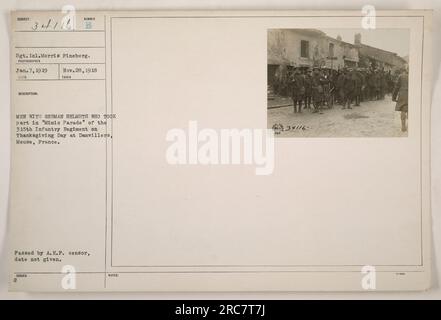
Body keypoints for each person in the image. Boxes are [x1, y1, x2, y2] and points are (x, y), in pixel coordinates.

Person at [392, 67, 409, 132]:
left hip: (403, 94)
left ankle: (403, 126)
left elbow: (396, 87)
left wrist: (394, 97)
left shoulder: (401, 76)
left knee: (403, 110)